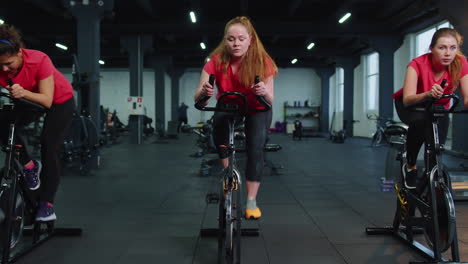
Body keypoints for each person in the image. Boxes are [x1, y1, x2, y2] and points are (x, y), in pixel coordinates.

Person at [194, 16, 278, 219]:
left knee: (255, 149)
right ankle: (229, 176)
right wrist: (205, 93)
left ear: (250, 40)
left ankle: (251, 201)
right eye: (231, 39)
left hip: (257, 107)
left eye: (241, 38)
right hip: (230, 104)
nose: (236, 43)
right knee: (219, 131)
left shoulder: (262, 61)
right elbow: (199, 99)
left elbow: (271, 98)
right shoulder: (215, 62)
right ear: (225, 40)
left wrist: (262, 91)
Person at [0, 24, 75, 221]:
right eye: (0, 65)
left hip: (58, 101)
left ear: (19, 52)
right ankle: (29, 165)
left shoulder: (39, 60)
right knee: (2, 126)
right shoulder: (2, 66)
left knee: (49, 146)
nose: (4, 69)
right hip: (25, 99)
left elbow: (46, 100)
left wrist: (23, 92)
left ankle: (47, 205)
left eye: (9, 63)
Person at [393, 27, 468, 189]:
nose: (448, 53)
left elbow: (467, 97)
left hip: (436, 107)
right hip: (411, 104)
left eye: (452, 48)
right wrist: (428, 94)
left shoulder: (460, 63)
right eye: (442, 48)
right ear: (432, 48)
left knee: (437, 146)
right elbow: (407, 99)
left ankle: (432, 180)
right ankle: (410, 166)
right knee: (421, 121)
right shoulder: (417, 64)